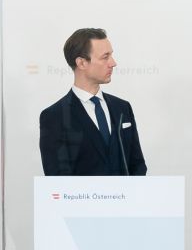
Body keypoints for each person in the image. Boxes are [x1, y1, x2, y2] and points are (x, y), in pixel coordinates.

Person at [39, 27, 147, 177]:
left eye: (111, 55)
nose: (113, 63)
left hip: (126, 193)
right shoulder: (54, 116)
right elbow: (57, 178)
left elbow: (138, 166)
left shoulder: (122, 108)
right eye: (105, 57)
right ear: (81, 63)